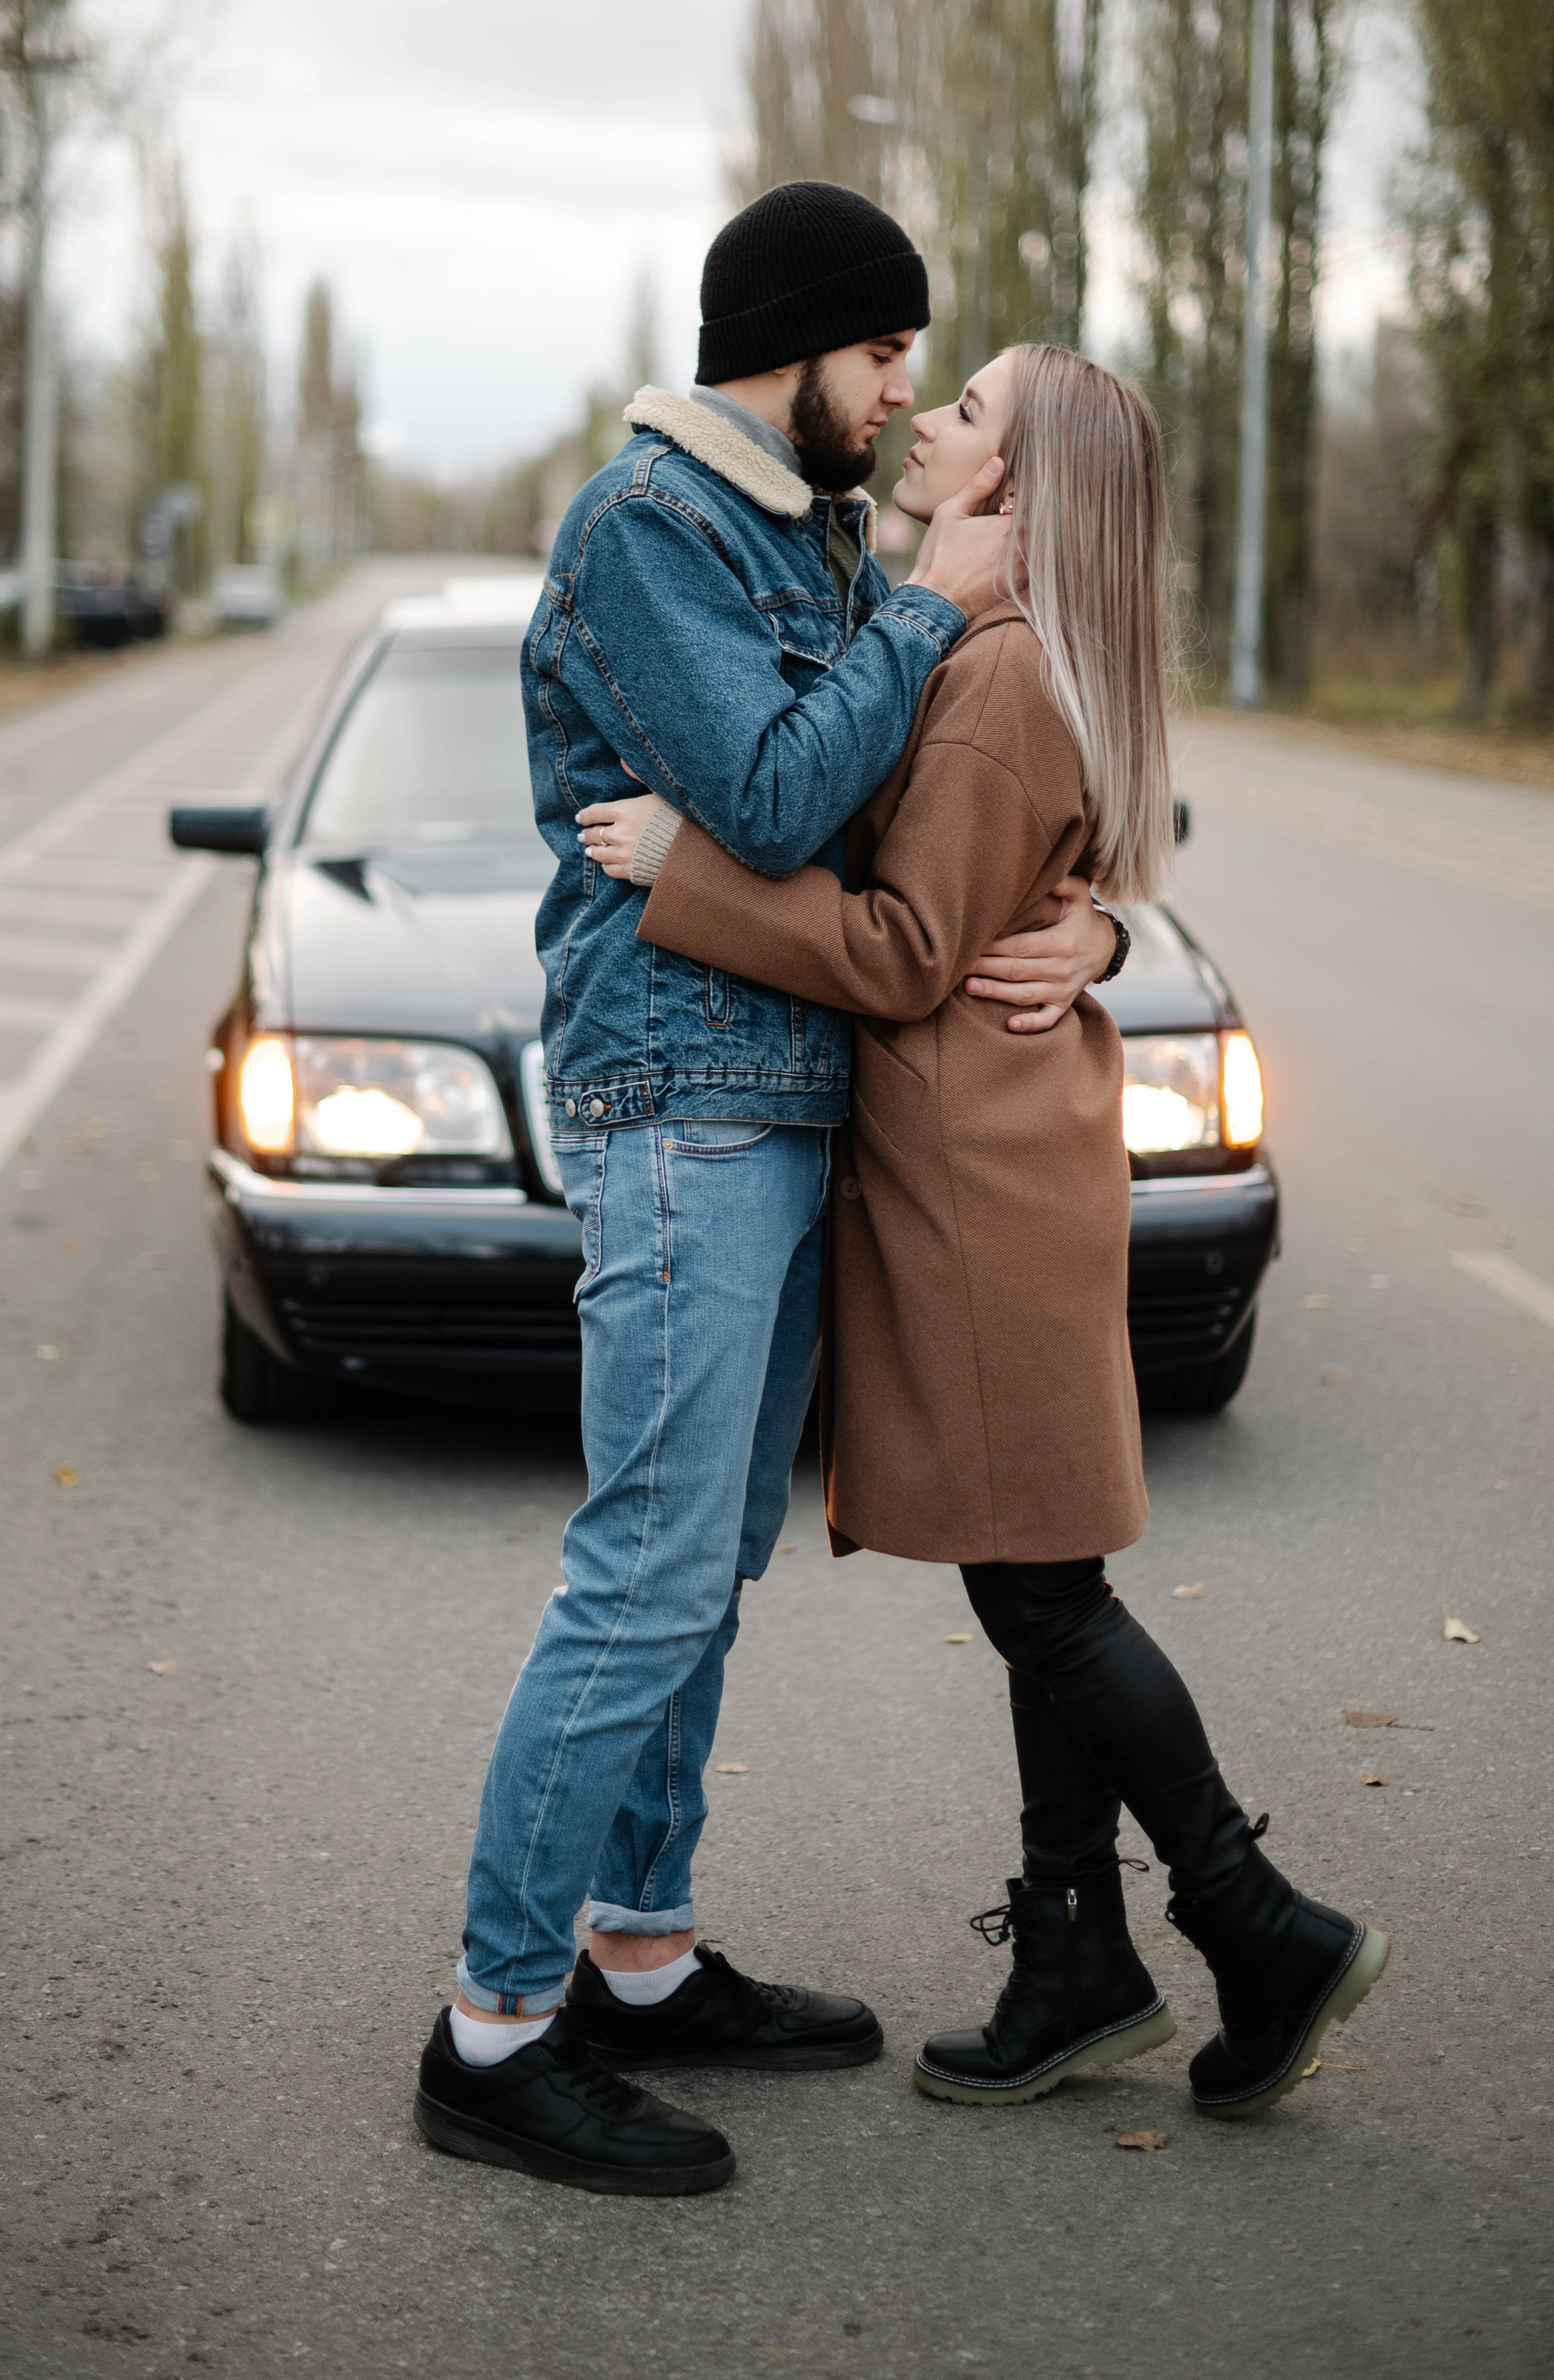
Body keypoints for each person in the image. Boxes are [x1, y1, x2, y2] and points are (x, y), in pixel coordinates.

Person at [584, 342, 1391, 2122]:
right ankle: (1073, 1958)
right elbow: (996, 893)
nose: (923, 420)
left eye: (962, 415)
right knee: (1034, 1577)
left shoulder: (993, 681)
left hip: (972, 1184)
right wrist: (1090, 929)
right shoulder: (985, 654)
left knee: (1041, 1591)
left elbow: (893, 951)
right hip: (996, 1155)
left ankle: (1255, 1927)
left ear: (1009, 496)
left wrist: (683, 869)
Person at [413, 186, 1122, 2196]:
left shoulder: (798, 533)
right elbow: (791, 797)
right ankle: (495, 2024)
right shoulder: (648, 530)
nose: (905, 398)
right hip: (680, 1108)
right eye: (887, 355)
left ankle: (637, 1953)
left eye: (920, 367)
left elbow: (953, 824)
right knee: (640, 1573)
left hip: (793, 1100)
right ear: (792, 342)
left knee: (703, 1567)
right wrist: (921, 599)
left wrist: (1098, 935)